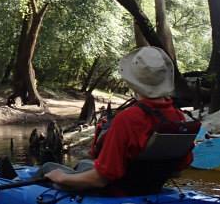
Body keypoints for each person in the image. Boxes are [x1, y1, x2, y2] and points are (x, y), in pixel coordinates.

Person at [42, 47, 198, 195]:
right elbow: (179, 169)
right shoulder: (178, 116)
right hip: (150, 190)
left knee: (48, 167)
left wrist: (61, 177)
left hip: (116, 194)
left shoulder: (127, 119)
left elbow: (100, 179)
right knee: (83, 165)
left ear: (133, 82)